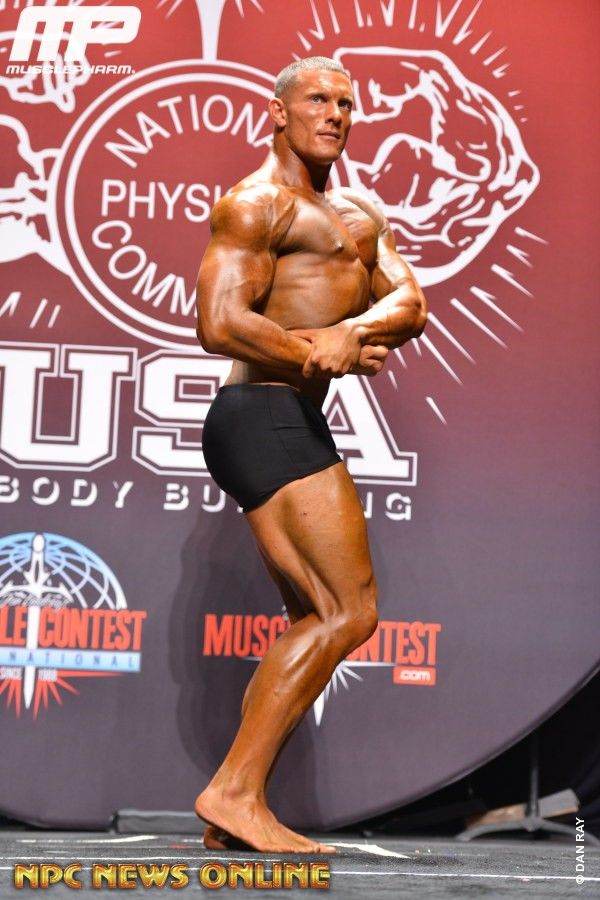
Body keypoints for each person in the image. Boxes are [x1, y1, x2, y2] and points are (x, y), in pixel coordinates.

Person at [194, 56, 427, 854]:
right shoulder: (254, 204)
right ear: (278, 112)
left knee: (315, 619)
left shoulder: (360, 214)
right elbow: (219, 323)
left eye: (347, 103)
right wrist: (313, 352)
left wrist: (349, 333)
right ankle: (233, 792)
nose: (335, 113)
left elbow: (410, 302)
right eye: (318, 99)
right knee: (347, 612)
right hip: (260, 411)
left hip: (289, 414)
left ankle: (236, 807)